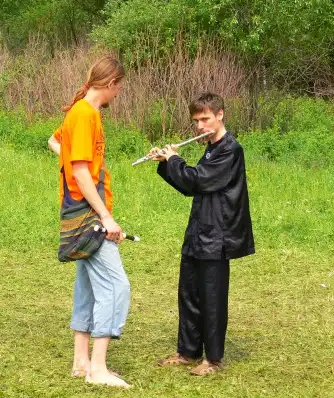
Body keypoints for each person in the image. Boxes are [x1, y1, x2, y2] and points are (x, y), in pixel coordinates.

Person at [150, 91, 255, 376]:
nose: (200, 126)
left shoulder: (231, 150)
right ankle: (188, 351)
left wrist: (175, 159)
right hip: (199, 231)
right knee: (189, 293)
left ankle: (214, 359)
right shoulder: (210, 148)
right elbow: (189, 186)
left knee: (212, 298)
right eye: (196, 121)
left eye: (205, 119)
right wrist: (165, 162)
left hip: (218, 236)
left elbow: (200, 180)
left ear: (220, 115)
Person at [48, 56, 131, 388]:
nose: (119, 94)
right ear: (111, 84)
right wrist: (106, 217)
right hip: (88, 213)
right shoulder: (84, 114)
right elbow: (81, 171)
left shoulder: (84, 112)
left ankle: (81, 362)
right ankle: (98, 369)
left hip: (85, 210)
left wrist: (70, 160)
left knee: (87, 285)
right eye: (119, 88)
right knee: (116, 286)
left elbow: (56, 142)